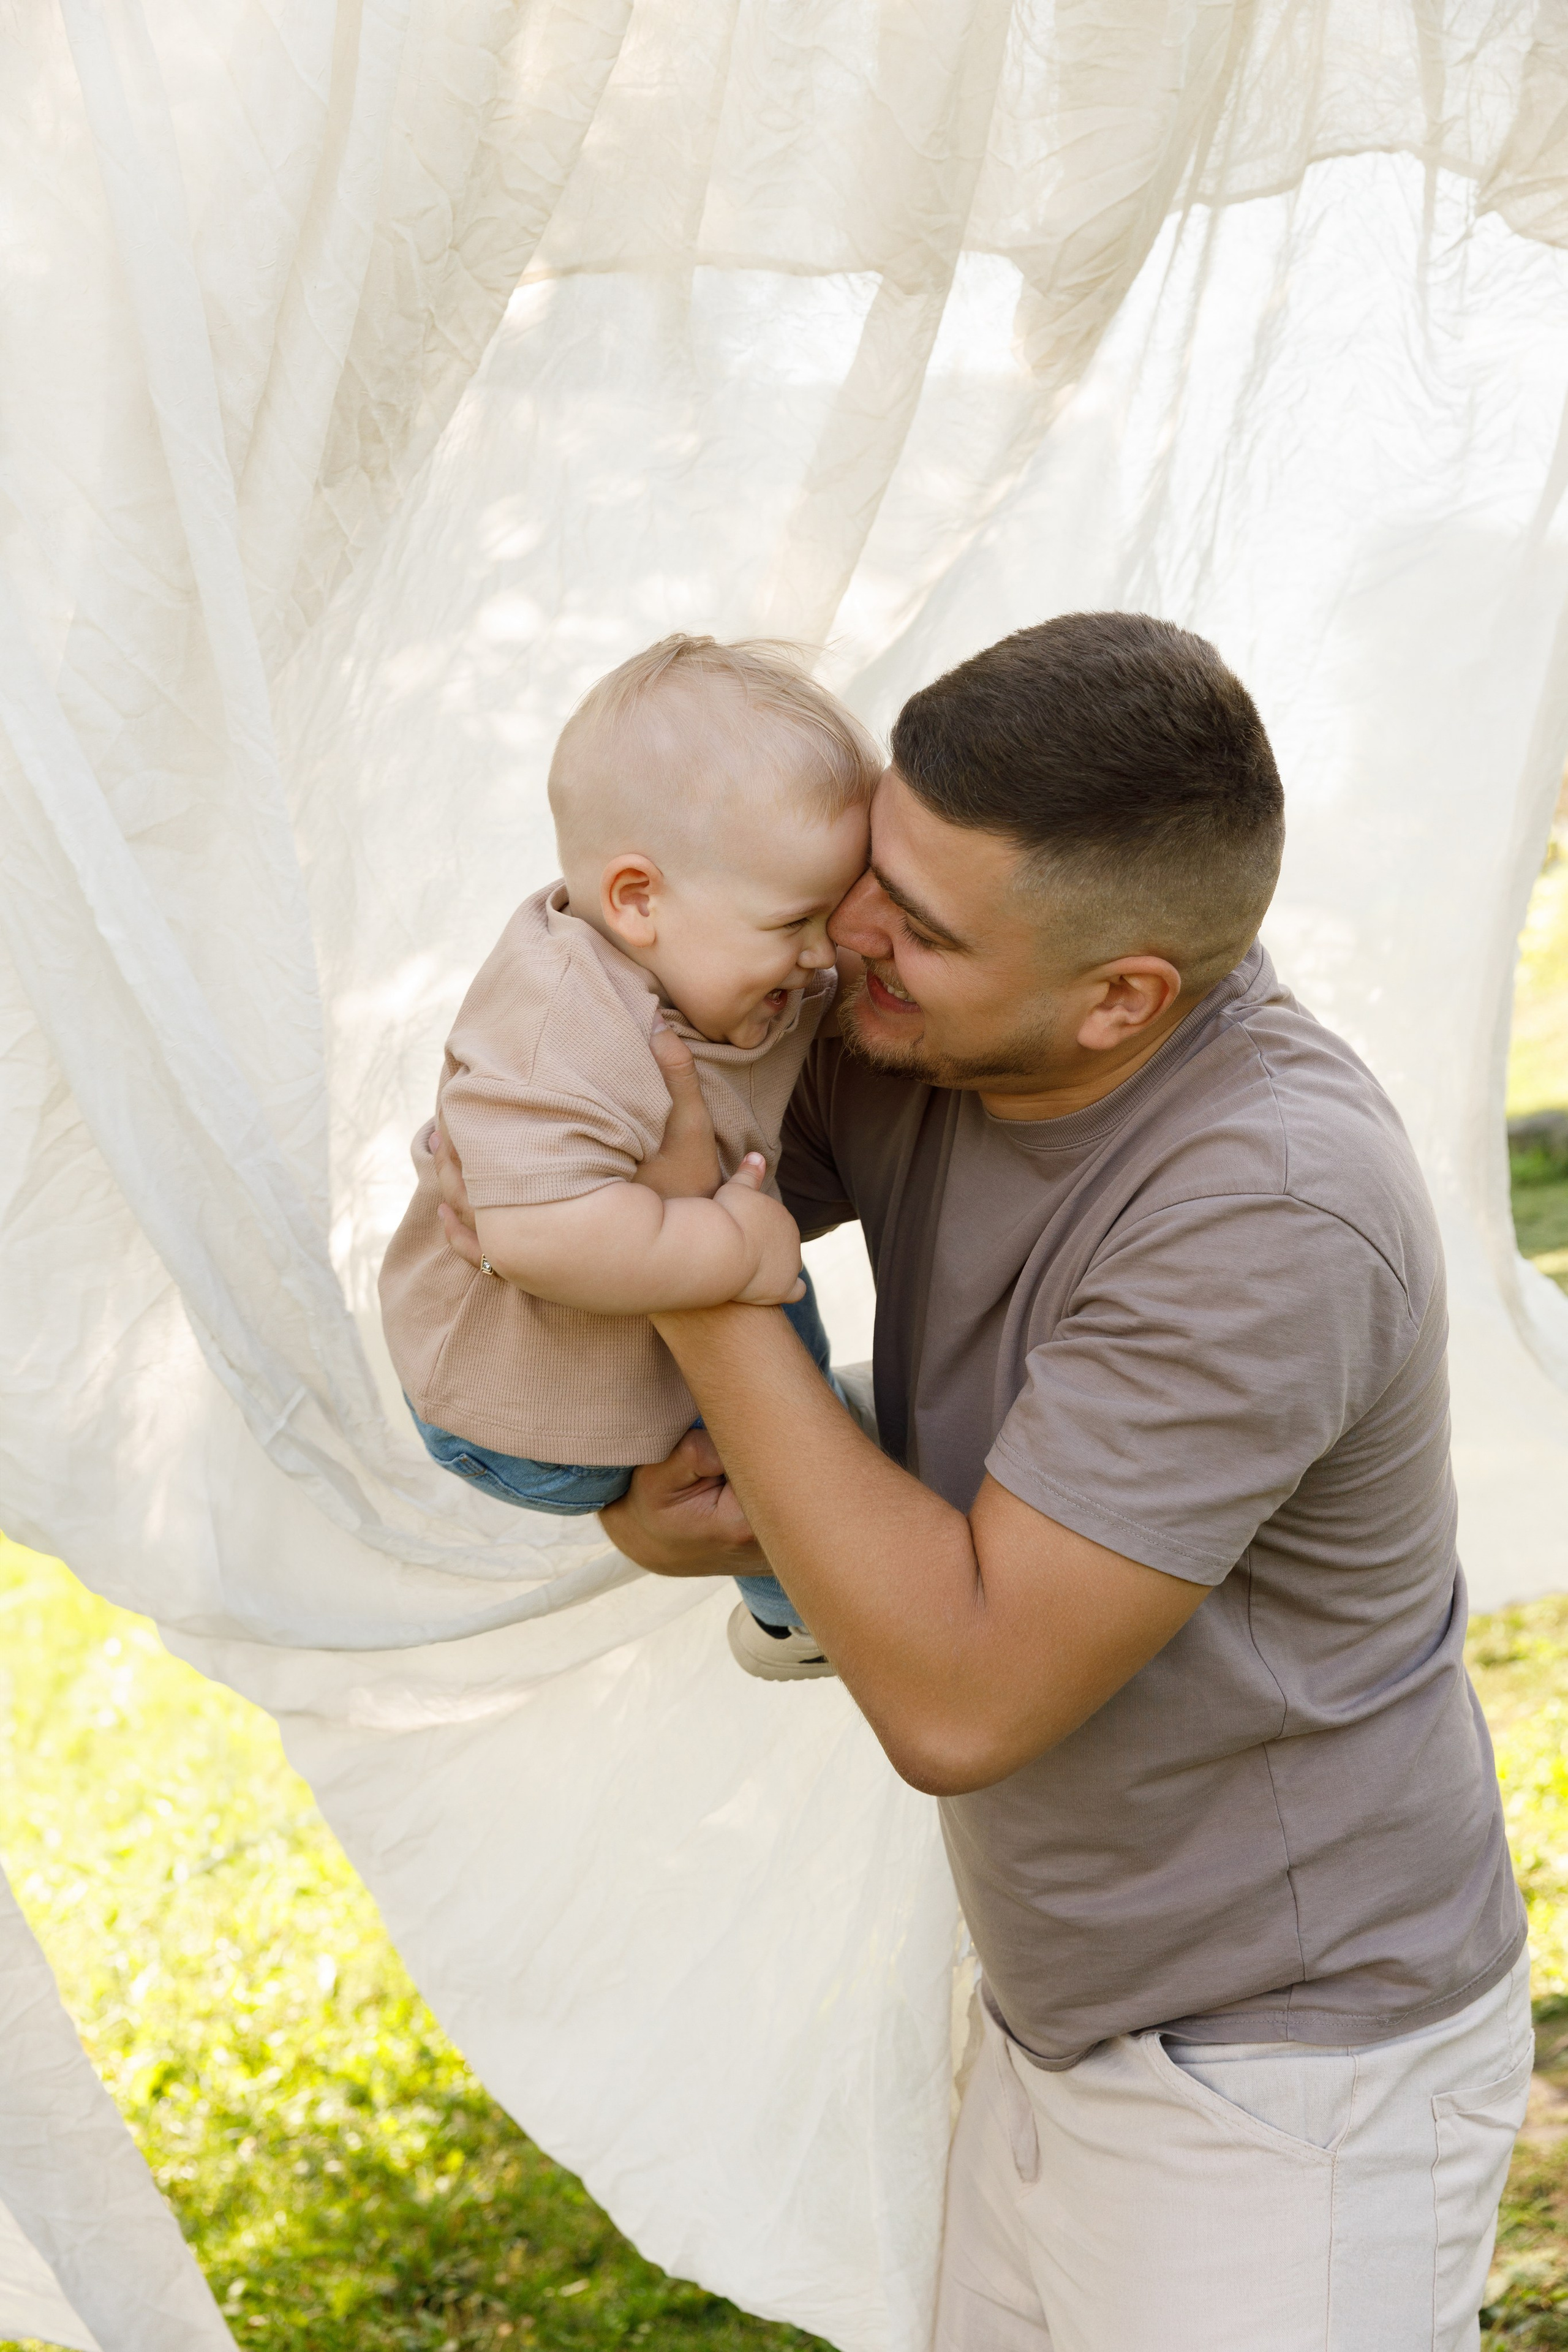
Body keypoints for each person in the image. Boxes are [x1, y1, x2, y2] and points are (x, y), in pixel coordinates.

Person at [442, 610, 1529, 2348]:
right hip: (1060, 2007)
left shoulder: (1267, 1204)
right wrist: (662, 1486)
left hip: (1288, 2075)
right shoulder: (912, 1022)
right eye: (873, 867)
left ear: (1122, 997)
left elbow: (957, 1700)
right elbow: (593, 1187)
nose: (848, 940)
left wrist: (708, 1283)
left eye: (923, 928)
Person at [380, 633, 878, 1676]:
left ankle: (794, 1605)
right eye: (794, 922)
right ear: (638, 900)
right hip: (532, 1414)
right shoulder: (563, 1018)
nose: (822, 953)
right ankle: (820, 1599)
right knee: (776, 1328)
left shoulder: (713, 957)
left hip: (616, 1362)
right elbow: (527, 1234)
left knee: (796, 1367)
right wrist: (725, 1252)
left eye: (831, 916)